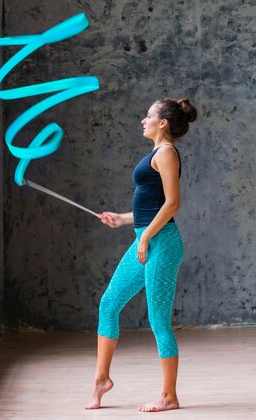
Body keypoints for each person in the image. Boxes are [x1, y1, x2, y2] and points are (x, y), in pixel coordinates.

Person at [85, 98, 197, 412]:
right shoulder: (155, 153)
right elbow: (151, 208)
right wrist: (122, 219)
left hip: (162, 243)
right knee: (109, 303)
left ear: (163, 123)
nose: (143, 120)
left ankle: (169, 396)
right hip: (146, 239)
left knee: (158, 320)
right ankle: (101, 379)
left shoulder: (167, 153)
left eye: (148, 115)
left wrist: (146, 236)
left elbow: (173, 204)